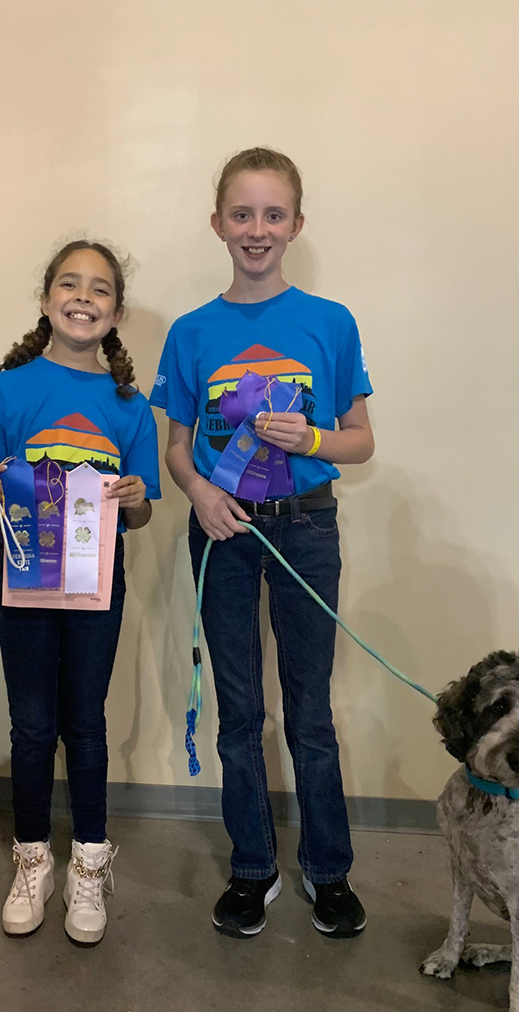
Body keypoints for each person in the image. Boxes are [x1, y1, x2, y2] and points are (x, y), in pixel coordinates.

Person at [151, 148, 374, 940]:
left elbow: (360, 441)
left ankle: (327, 870)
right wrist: (202, 492)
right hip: (225, 534)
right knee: (239, 711)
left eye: (273, 214)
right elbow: (175, 446)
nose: (257, 229)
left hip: (308, 529)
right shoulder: (190, 332)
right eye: (241, 215)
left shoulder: (330, 322)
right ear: (218, 224)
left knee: (310, 712)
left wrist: (310, 432)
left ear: (296, 225)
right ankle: (252, 868)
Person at [0, 240, 160, 945]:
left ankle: (91, 865)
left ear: (116, 311)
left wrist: (134, 496)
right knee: (33, 726)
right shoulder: (3, 392)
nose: (83, 297)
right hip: (24, 580)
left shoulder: (131, 406)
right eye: (68, 285)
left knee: (87, 724)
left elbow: (142, 510)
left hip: (97, 586)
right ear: (45, 302)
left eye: (99, 289)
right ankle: (33, 859)